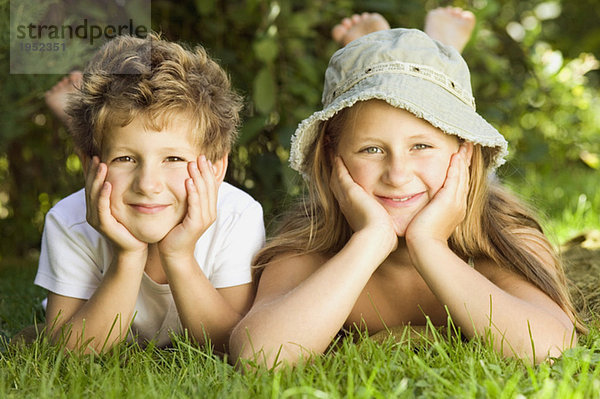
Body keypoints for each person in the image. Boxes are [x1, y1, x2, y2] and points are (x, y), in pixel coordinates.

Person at [229, 27, 584, 367]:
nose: (397, 175)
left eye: (421, 146)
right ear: (331, 158)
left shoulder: (502, 238)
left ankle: (434, 39)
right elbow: (260, 358)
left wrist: (429, 245)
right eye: (371, 149)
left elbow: (551, 350)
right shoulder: (310, 243)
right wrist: (370, 240)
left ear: (465, 154)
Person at [34, 33, 265, 353]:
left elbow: (232, 344)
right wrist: (128, 257)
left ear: (215, 168)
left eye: (173, 159)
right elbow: (68, 353)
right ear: (89, 166)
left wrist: (179, 255)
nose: (147, 183)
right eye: (125, 159)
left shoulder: (238, 216)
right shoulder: (68, 221)